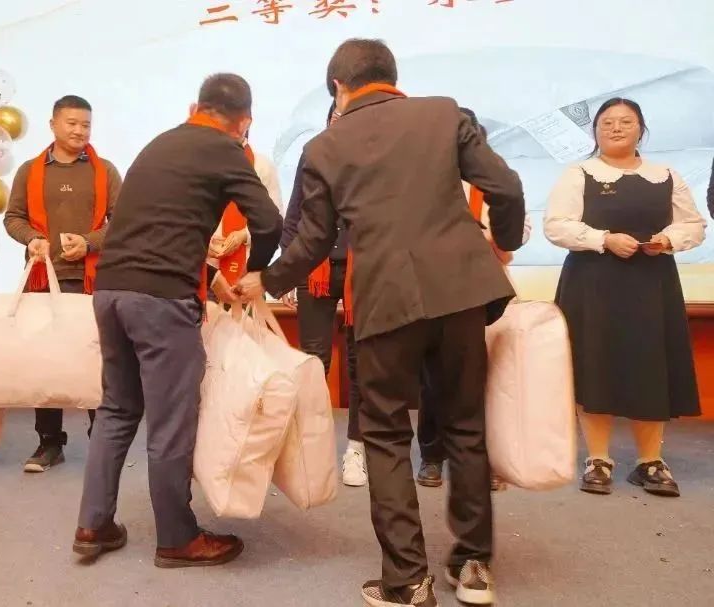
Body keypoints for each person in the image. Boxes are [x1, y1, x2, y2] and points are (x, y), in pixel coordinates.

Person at [237, 39, 526, 607]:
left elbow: (313, 240)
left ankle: (408, 580)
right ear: (391, 77)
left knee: (386, 436)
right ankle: (474, 568)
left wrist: (266, 280)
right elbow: (507, 187)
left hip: (385, 303)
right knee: (466, 427)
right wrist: (506, 242)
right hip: (462, 294)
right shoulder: (444, 113)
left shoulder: (324, 145)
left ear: (338, 88)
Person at [73, 73, 282, 569]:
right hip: (160, 302)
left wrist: (207, 275)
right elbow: (270, 222)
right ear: (244, 122)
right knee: (171, 421)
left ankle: (93, 524)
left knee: (117, 409)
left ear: (196, 107)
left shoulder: (159, 144)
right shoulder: (226, 149)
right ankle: (177, 537)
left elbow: (148, 228)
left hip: (111, 291)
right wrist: (256, 272)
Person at [544, 98, 706, 498]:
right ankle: (598, 459)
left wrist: (669, 239)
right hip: (591, 283)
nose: (616, 128)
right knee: (594, 364)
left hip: (652, 282)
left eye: (625, 122)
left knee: (650, 366)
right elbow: (556, 225)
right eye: (607, 123)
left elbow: (693, 225)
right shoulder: (579, 173)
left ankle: (650, 461)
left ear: (641, 129)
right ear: (595, 131)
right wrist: (604, 239)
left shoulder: (665, 175)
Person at [416, 109, 533, 493]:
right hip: (435, 290)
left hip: (487, 291)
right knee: (435, 378)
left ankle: (491, 458)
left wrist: (490, 237)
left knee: (489, 379)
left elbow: (520, 229)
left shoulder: (494, 178)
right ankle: (432, 455)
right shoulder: (422, 178)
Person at [4, 95, 122, 473]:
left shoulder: (105, 171)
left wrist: (89, 242)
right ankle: (49, 443)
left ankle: (102, 442)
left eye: (86, 124)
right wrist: (32, 239)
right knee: (46, 361)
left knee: (95, 360)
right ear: (53, 124)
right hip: (44, 278)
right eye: (71, 123)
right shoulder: (29, 170)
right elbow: (13, 218)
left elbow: (124, 221)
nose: (79, 131)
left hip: (92, 281)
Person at [279, 100, 366, 488]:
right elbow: (294, 214)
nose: (342, 123)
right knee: (313, 362)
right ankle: (311, 449)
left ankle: (356, 450)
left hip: (362, 267)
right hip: (315, 266)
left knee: (360, 363)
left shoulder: (376, 155)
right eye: (336, 116)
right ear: (328, 119)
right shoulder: (312, 153)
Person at [206, 127, 283, 300]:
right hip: (208, 273)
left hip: (247, 275)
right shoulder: (204, 164)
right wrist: (203, 242)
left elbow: (277, 222)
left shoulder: (262, 165)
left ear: (245, 124)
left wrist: (243, 235)